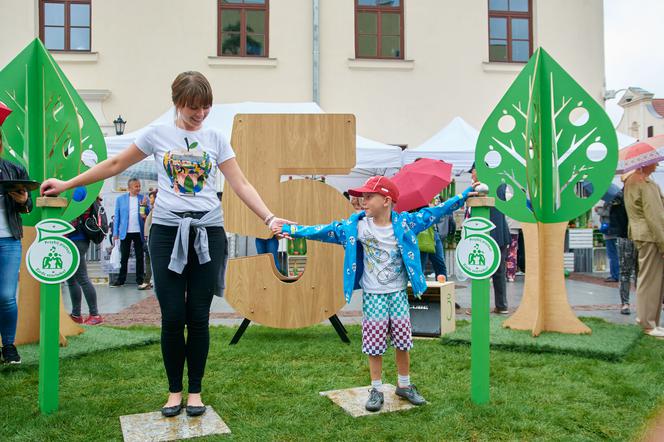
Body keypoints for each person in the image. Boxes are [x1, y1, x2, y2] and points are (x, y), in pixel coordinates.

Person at [41, 71, 292, 417]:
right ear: (176, 103)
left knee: (198, 317)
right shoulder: (158, 134)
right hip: (166, 233)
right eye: (192, 109)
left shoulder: (217, 138)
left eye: (205, 108)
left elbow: (242, 183)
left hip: (208, 232)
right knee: (173, 315)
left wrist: (269, 218)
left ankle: (196, 393)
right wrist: (68, 183)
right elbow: (115, 164)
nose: (199, 115)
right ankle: (174, 391)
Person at [276, 176, 476, 412]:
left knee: (403, 340)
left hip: (398, 294)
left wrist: (463, 196)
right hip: (374, 296)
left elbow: (436, 211)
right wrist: (291, 229)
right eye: (362, 196)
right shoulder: (357, 227)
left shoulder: (405, 223)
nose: (363, 200)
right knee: (374, 343)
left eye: (369, 196)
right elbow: (322, 231)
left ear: (387, 201)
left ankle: (404, 385)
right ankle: (376, 389)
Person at [0, 127, 33, 364]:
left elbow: (27, 205)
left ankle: (9, 345)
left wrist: (24, 201)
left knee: (6, 296)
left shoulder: (13, 169)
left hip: (9, 239)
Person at [623, 163, 664, 337]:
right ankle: (647, 323)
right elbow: (655, 216)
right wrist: (663, 242)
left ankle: (650, 321)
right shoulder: (644, 183)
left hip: (643, 234)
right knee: (650, 280)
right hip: (650, 236)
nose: (657, 164)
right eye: (654, 161)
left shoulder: (631, 181)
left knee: (651, 279)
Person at [469, 163, 510, 314]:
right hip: (499, 233)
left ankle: (480, 307)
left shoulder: (481, 188)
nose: (472, 176)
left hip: (487, 235)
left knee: (480, 271)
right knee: (499, 272)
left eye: (472, 172)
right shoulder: (499, 184)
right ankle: (502, 305)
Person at [66, 197, 104, 325]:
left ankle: (95, 314)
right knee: (71, 279)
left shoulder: (79, 191)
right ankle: (76, 315)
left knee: (81, 277)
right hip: (73, 239)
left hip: (77, 238)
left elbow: (73, 214)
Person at [111, 178, 150, 288]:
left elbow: (147, 214)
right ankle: (121, 280)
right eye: (136, 186)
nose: (138, 188)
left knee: (139, 257)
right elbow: (117, 216)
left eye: (139, 186)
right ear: (129, 188)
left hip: (139, 231)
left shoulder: (143, 198)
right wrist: (115, 233)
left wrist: (144, 206)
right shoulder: (120, 199)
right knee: (124, 257)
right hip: (125, 231)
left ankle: (140, 279)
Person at [609, 188, 637, 315]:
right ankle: (625, 303)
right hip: (626, 236)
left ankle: (635, 303)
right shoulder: (620, 197)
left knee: (637, 272)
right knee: (627, 272)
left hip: (637, 237)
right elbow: (615, 218)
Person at [139, 189, 158, 290]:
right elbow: (143, 217)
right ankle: (147, 281)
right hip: (148, 237)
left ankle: (148, 281)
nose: (150, 199)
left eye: (152, 197)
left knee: (149, 260)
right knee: (148, 260)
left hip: (152, 237)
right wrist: (142, 206)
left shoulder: (157, 209)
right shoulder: (152, 209)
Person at [596, 201, 620, 282]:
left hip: (610, 232)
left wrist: (598, 210)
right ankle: (615, 274)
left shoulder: (612, 201)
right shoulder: (616, 200)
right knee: (613, 254)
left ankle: (615, 275)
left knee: (612, 254)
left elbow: (608, 212)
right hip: (613, 231)